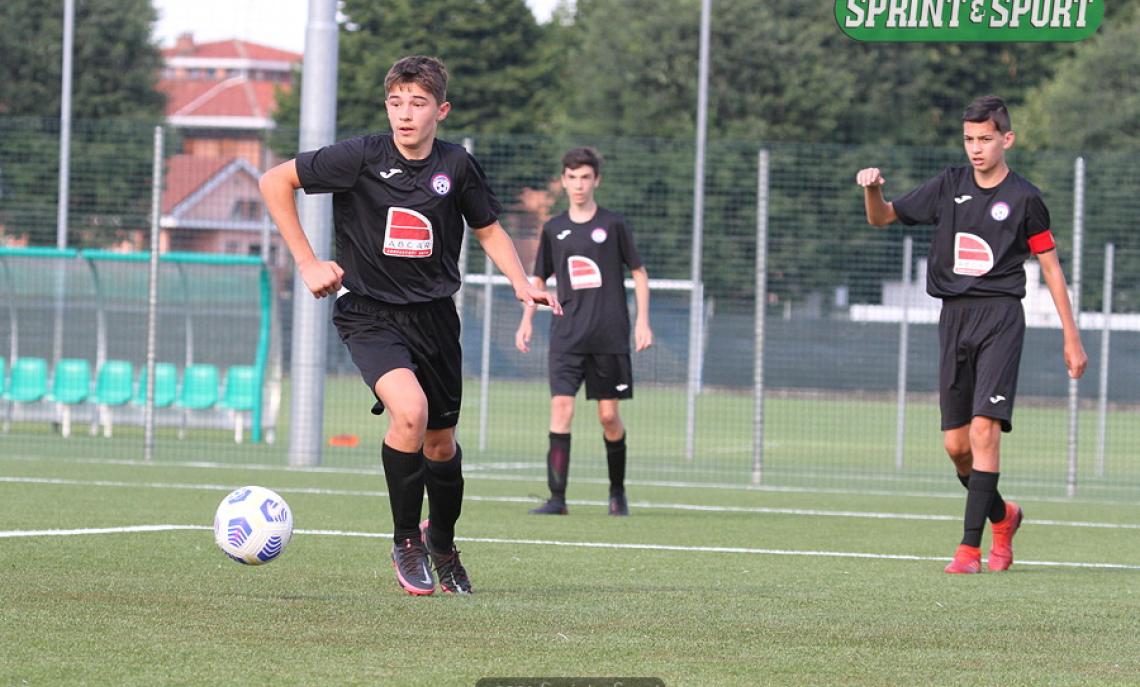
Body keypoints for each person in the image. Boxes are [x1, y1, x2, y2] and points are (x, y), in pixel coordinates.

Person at [259, 55, 560, 595]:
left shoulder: (458, 166)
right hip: (369, 314)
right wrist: (307, 261)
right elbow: (274, 181)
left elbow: (488, 229)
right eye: (396, 102)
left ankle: (441, 543)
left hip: (436, 320)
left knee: (441, 446)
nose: (405, 114)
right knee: (411, 413)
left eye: (418, 103)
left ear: (439, 110)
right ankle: (405, 541)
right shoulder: (359, 156)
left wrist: (521, 280)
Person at [856, 95, 1087, 574]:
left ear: (1007, 139)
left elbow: (1050, 266)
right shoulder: (949, 184)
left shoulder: (1025, 198)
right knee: (957, 447)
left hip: (1001, 317)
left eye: (985, 139)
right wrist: (872, 189)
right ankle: (1003, 517)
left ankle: (968, 549)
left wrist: (1072, 335)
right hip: (953, 319)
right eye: (969, 139)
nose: (976, 148)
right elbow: (880, 217)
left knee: (985, 431)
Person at [515, 147, 653, 517]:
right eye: (572, 177)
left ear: (596, 181)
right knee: (561, 409)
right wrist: (527, 319)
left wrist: (642, 321)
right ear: (563, 181)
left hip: (609, 334)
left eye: (585, 177)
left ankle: (617, 492)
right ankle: (557, 499)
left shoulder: (613, 225)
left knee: (609, 417)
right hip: (566, 336)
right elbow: (539, 278)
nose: (578, 184)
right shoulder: (554, 228)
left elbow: (638, 273)